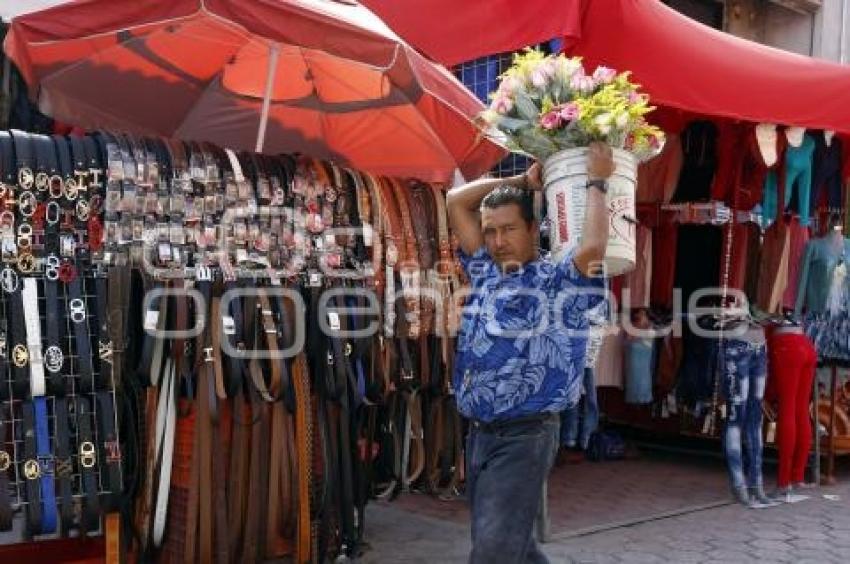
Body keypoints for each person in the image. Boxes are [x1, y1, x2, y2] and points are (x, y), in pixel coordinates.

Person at [446, 142, 615, 563]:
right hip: (480, 434)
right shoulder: (484, 269)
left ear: (532, 228)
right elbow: (454, 201)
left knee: (492, 551)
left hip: (525, 434)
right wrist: (521, 180)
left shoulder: (558, 280)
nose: (497, 240)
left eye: (508, 229)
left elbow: (593, 248)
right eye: (490, 231)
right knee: (513, 547)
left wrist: (597, 180)